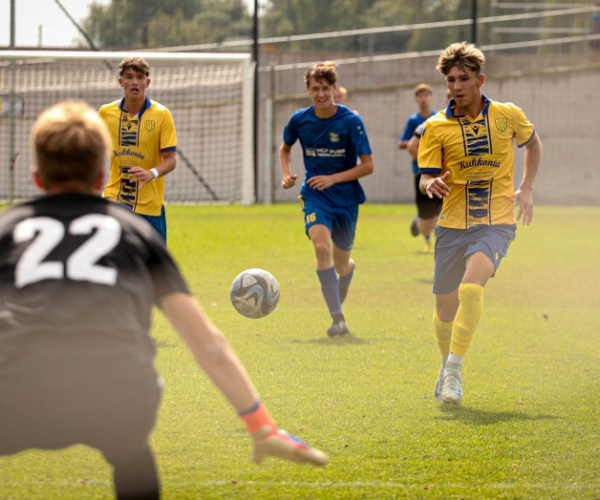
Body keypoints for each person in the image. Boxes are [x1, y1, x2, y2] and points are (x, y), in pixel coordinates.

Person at [0, 101, 327, 500]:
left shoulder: (9, 229)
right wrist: (262, 426)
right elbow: (208, 343)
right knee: (132, 453)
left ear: (36, 177)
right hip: (118, 388)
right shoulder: (133, 232)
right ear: (103, 175)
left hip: (17, 388)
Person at [418, 42, 543, 404]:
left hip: (496, 222)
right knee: (444, 311)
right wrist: (431, 183)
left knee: (471, 288)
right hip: (452, 225)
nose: (456, 86)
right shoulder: (435, 127)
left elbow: (533, 145)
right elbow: (425, 178)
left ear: (480, 80)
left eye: (464, 78)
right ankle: (445, 364)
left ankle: (455, 371)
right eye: (451, 79)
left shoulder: (508, 115)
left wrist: (526, 188)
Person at [279, 61, 374, 338]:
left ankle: (347, 271)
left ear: (334, 88)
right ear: (308, 89)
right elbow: (285, 149)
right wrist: (286, 174)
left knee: (342, 264)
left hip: (346, 199)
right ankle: (338, 319)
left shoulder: (350, 121)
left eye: (325, 88)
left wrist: (333, 178)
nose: (321, 94)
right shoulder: (300, 119)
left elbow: (368, 165)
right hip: (314, 196)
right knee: (322, 249)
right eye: (315, 88)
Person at [100, 56, 176, 242]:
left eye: (140, 77)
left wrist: (152, 173)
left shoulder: (162, 115)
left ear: (147, 82)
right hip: (115, 199)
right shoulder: (105, 113)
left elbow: (171, 159)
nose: (135, 82)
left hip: (149, 205)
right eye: (129, 76)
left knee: (155, 267)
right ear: (121, 81)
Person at [398, 84, 440, 253]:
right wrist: (416, 142)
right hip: (420, 171)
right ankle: (420, 224)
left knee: (443, 208)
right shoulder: (413, 121)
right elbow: (404, 142)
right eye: (420, 96)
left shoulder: (438, 117)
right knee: (427, 214)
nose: (423, 98)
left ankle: (440, 241)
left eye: (426, 95)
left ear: (431, 97)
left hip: (440, 171)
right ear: (416, 99)